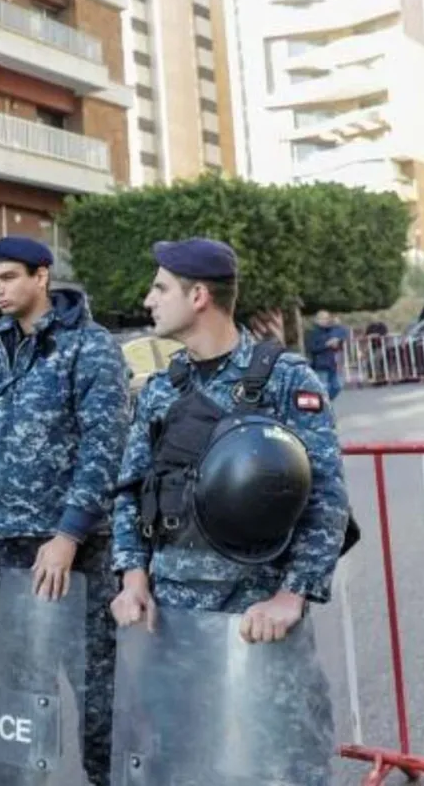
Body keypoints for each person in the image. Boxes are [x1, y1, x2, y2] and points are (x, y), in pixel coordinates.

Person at [110, 238, 350, 782]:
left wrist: (292, 596)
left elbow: (326, 496)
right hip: (170, 617)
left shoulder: (286, 380)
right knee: (181, 759)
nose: (148, 299)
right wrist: (131, 577)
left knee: (279, 762)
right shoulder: (160, 390)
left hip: (254, 613)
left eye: (160, 287)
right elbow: (130, 489)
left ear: (199, 296)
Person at [0, 236, 130, 786]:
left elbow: (105, 447)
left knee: (98, 688)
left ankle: (109, 778)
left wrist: (69, 533)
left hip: (80, 550)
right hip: (13, 546)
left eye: (9, 277)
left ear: (41, 276)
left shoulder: (88, 347)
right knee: (18, 691)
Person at [304, 309, 345, 401]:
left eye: (327, 318)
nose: (326, 320)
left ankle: (325, 403)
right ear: (317, 319)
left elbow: (343, 332)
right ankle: (323, 406)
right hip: (320, 365)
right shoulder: (312, 332)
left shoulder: (330, 330)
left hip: (331, 364)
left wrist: (336, 343)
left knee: (337, 386)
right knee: (323, 389)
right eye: (323, 318)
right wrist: (326, 345)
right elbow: (311, 348)